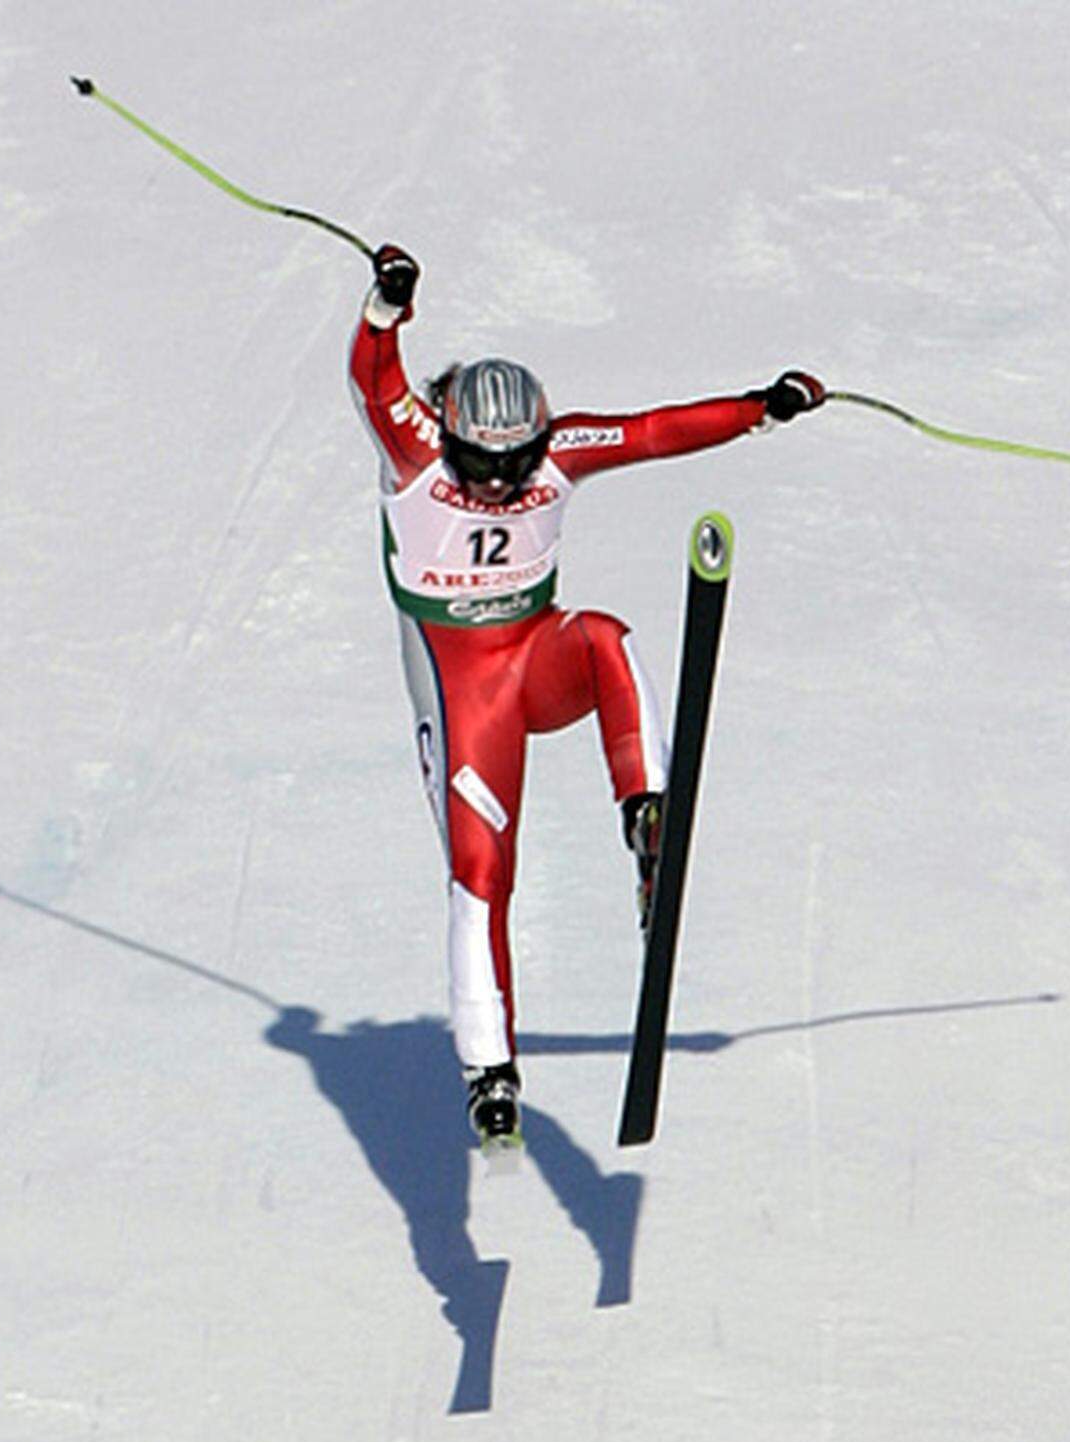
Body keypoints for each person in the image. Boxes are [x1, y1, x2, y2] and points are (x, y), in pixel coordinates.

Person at [349, 243, 825, 1144]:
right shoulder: (414, 446)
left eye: (516, 465)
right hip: (462, 693)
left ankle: (646, 818)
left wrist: (762, 409)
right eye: (480, 466)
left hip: (534, 653)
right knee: (481, 875)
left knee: (605, 637)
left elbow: (652, 431)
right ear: (450, 432)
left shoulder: (558, 449)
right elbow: (375, 382)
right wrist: (385, 307)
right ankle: (490, 1071)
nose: (498, 484)